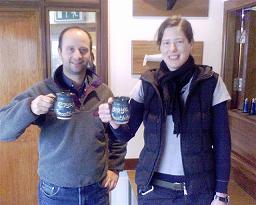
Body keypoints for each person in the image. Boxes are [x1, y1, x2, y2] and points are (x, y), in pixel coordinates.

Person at [98, 16, 231, 205]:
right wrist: (113, 121)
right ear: (160, 46)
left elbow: (222, 142)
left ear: (191, 43)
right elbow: (124, 135)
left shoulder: (211, 83)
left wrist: (221, 194)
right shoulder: (147, 84)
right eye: (166, 43)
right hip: (154, 191)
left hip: (198, 191)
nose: (172, 49)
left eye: (179, 42)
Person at [0, 26, 126, 205]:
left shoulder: (104, 92)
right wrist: (31, 107)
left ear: (90, 54)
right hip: (55, 193)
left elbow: (118, 133)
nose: (77, 55)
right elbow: (3, 129)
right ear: (60, 52)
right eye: (70, 49)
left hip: (97, 190)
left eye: (83, 50)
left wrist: (115, 166)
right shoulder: (43, 90)